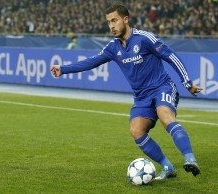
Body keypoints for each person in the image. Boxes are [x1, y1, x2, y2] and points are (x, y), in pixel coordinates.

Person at [51, 3, 202, 180]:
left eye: (114, 20)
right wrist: (63, 69)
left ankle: (190, 159)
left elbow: (171, 56)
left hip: (162, 87)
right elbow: (91, 61)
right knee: (136, 130)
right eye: (108, 22)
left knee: (165, 115)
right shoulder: (112, 48)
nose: (111, 26)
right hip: (141, 97)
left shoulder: (145, 38)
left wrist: (187, 82)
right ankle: (168, 167)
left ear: (126, 19)